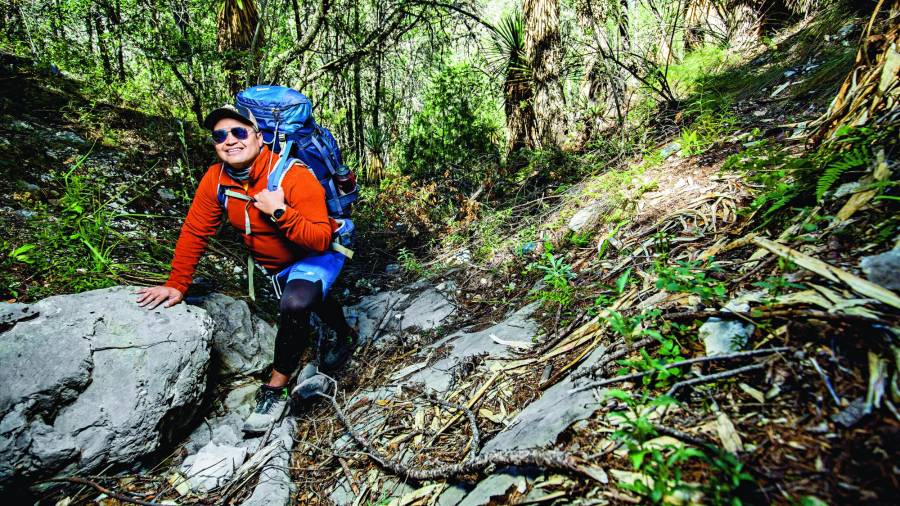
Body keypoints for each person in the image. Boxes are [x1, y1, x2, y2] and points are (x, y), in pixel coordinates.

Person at [136, 104, 357, 434]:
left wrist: (279, 211)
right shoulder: (217, 179)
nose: (229, 140)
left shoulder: (293, 175)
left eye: (239, 132)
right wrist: (177, 284)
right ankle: (345, 333)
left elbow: (319, 238)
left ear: (258, 136)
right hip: (278, 264)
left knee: (296, 302)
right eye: (219, 136)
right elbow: (196, 230)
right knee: (312, 298)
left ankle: (276, 389)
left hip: (317, 252)